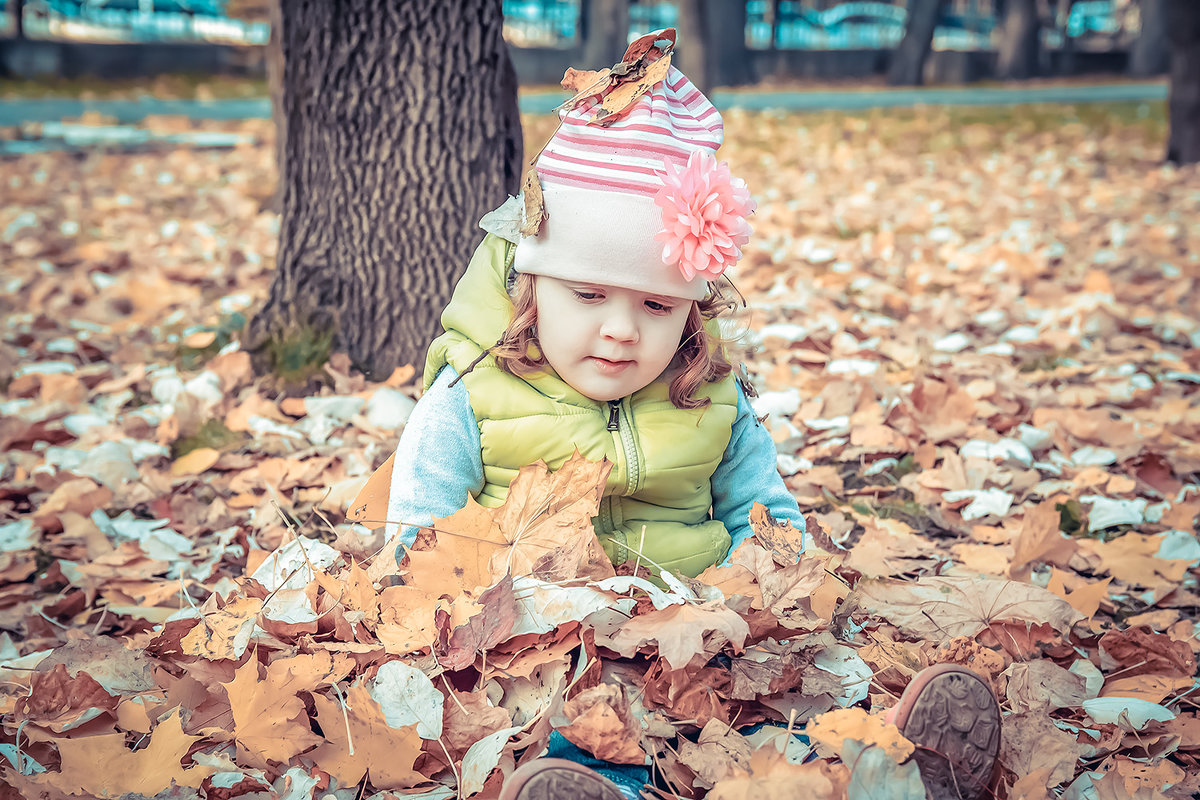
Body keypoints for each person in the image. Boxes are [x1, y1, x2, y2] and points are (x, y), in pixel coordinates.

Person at [382, 29, 1001, 800]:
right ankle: (603, 789)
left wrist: (762, 610)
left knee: (782, 711)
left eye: (653, 304)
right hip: (551, 648)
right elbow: (420, 538)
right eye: (587, 295)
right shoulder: (472, 393)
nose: (620, 329)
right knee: (575, 721)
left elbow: (765, 518)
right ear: (529, 286)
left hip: (701, 632)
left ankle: (891, 775)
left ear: (691, 310)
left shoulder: (708, 394)